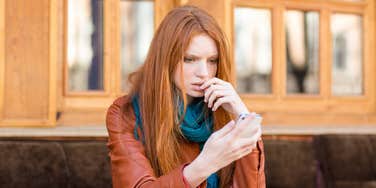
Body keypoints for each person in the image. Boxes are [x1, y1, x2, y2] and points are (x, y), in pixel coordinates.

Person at [106, 5, 265, 188]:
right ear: (166, 58)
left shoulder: (224, 109)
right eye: (189, 59)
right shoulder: (126, 114)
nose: (204, 72)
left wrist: (244, 119)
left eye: (212, 61)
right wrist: (204, 165)